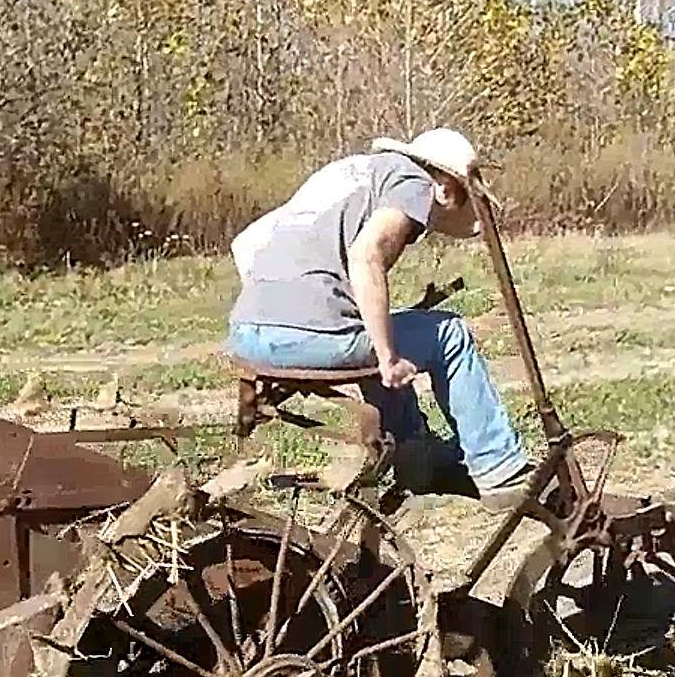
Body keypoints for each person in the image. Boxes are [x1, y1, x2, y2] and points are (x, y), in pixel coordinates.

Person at [225, 128, 532, 506]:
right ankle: (499, 467)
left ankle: (413, 453)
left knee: (382, 329)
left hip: (247, 334)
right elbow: (366, 256)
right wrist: (386, 358)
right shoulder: (414, 182)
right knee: (446, 333)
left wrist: (276, 313)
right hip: (310, 336)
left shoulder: (349, 174)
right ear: (447, 188)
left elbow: (246, 242)